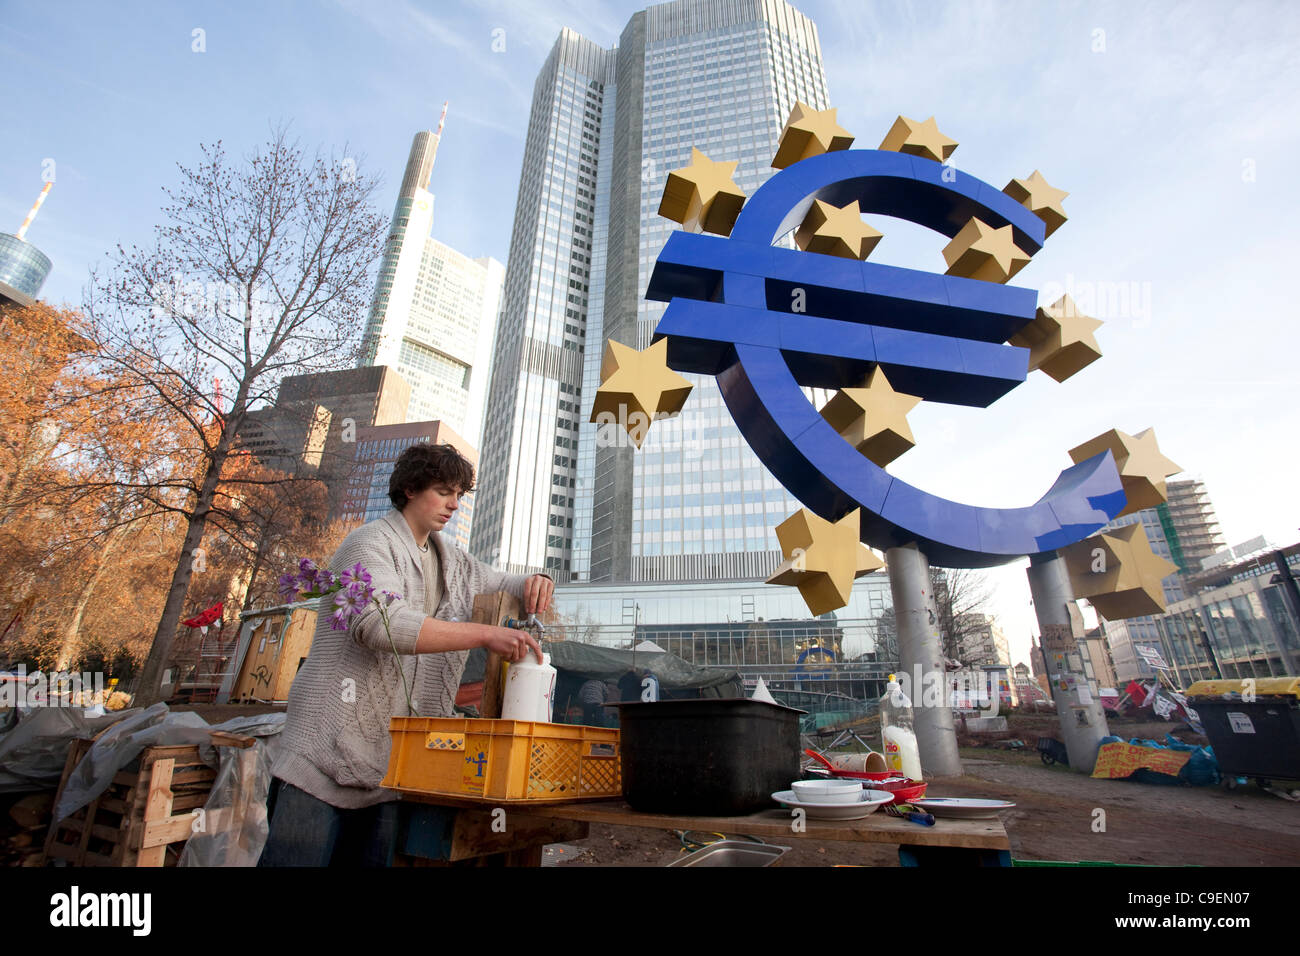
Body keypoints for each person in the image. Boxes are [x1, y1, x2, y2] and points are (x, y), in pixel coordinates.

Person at [259, 442, 553, 866]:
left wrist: (536, 580)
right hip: (321, 760)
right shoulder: (369, 544)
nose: (453, 504)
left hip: (390, 768)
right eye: (443, 491)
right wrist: (484, 635)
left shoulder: (450, 558)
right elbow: (381, 623)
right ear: (411, 489)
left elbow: (505, 581)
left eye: (459, 495)